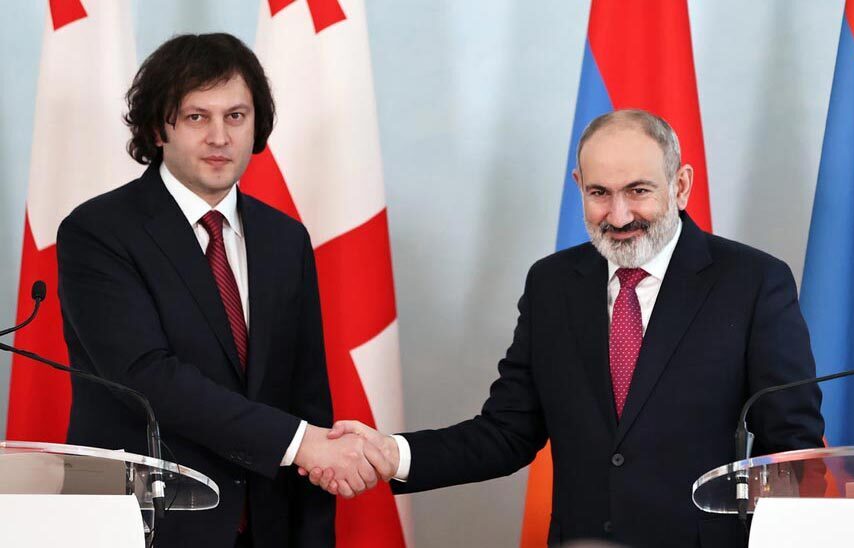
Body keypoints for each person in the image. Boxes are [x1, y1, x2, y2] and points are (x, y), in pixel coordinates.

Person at [309, 109, 825, 547]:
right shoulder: (552, 284)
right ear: (579, 186)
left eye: (638, 191)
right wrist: (391, 454)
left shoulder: (752, 282)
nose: (618, 216)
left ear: (681, 185)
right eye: (600, 193)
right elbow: (506, 432)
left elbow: (791, 447)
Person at [57, 33, 387, 548]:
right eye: (197, 117)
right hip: (147, 528)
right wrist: (300, 443)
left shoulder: (285, 239)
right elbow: (147, 377)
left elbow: (307, 398)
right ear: (157, 128)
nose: (219, 137)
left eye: (235, 116)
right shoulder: (98, 232)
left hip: (266, 528)